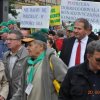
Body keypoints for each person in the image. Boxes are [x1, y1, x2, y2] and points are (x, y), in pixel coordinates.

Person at [11, 31, 67, 100]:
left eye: (30, 45)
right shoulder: (27, 62)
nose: (27, 48)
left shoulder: (52, 60)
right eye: (27, 45)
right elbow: (21, 88)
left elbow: (67, 83)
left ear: (41, 47)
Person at [3, 30, 28, 100]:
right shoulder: (5, 55)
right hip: (7, 95)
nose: (8, 42)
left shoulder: (28, 55)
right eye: (7, 39)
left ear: (19, 41)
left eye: (11, 39)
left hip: (22, 96)